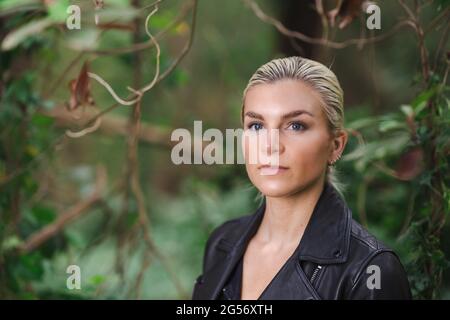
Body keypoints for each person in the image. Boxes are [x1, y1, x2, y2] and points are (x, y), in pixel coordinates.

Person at [192, 56, 412, 300]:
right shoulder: (222, 243)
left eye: (295, 126)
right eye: (256, 126)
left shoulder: (370, 270)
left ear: (335, 145)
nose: (270, 146)